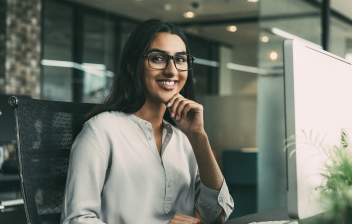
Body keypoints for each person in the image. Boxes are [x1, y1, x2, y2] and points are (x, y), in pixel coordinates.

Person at [60, 19, 234, 224]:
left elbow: (218, 215)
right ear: (132, 66)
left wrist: (198, 137)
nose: (172, 70)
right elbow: (77, 219)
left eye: (180, 59)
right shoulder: (101, 130)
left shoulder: (184, 138)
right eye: (158, 58)